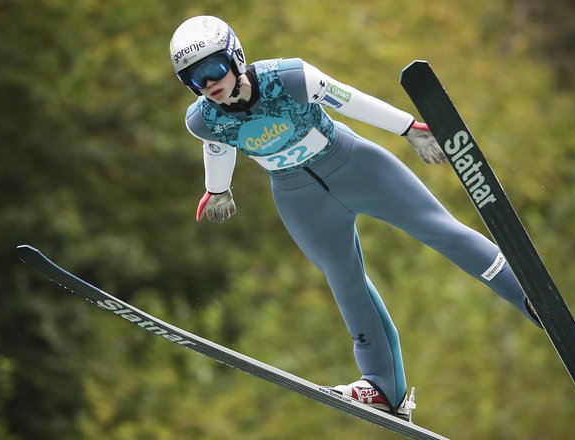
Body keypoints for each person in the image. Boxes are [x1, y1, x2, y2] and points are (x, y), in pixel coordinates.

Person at [170, 15, 541, 420]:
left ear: (235, 56)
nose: (208, 84)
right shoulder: (202, 118)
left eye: (213, 68)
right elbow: (219, 144)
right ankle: (383, 387)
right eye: (194, 79)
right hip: (299, 198)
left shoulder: (288, 77)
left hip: (354, 165)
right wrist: (218, 188)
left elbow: (348, 99)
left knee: (438, 229)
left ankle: (527, 295)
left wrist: (408, 129)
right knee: (344, 281)